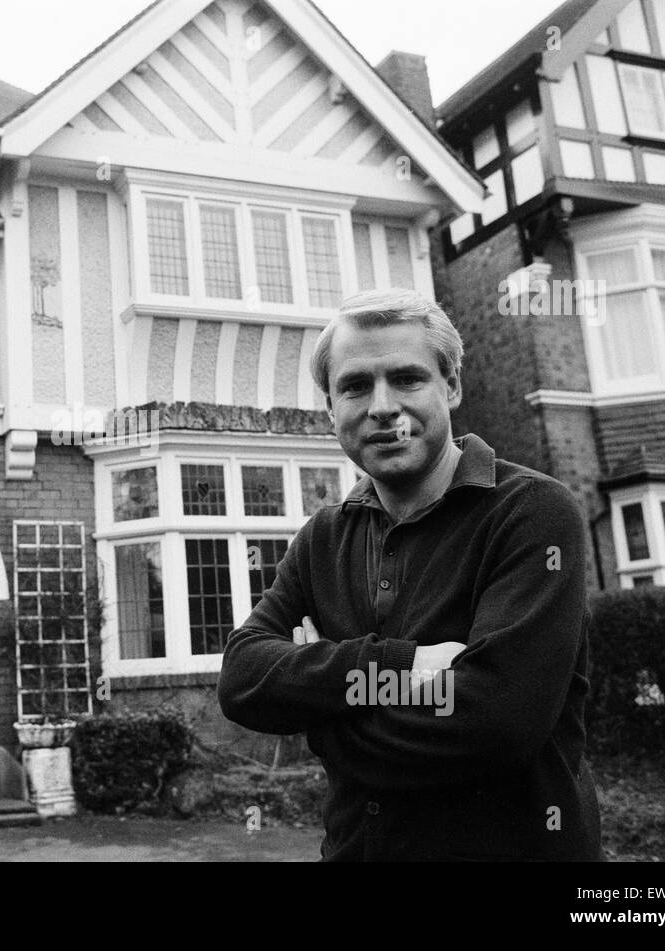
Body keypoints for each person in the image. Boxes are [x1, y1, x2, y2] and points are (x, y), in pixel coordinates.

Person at [217, 289, 601, 861]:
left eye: (406, 378)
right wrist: (402, 666)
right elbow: (243, 678)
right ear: (331, 408)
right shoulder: (323, 538)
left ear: (451, 386)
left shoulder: (531, 514)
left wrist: (320, 717)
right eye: (354, 386)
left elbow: (494, 724)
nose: (381, 406)